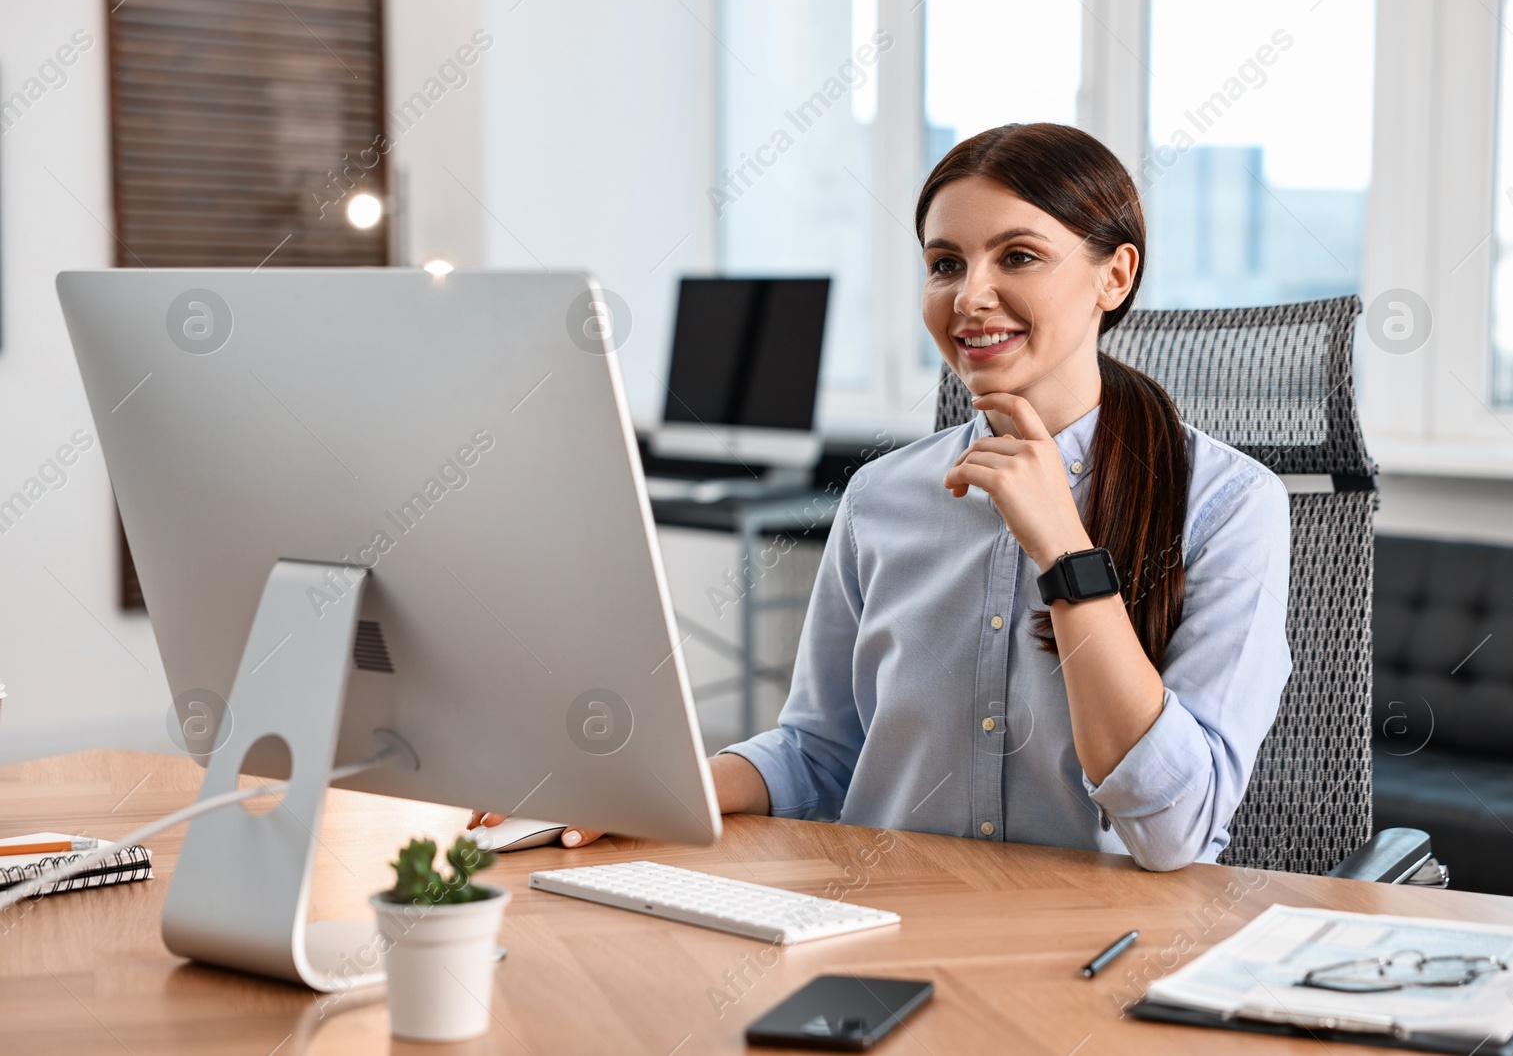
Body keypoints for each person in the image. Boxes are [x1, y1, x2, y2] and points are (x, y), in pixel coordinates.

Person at [474, 122, 1291, 870]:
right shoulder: (881, 497)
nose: (969, 296)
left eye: (1018, 256)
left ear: (1115, 275)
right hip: (884, 914)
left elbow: (1174, 829)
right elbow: (820, 753)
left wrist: (1066, 554)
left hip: (1098, 953)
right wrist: (631, 788)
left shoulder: (1228, 504)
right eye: (946, 264)